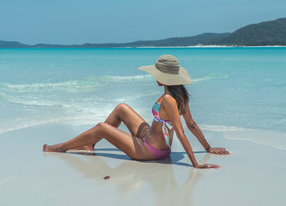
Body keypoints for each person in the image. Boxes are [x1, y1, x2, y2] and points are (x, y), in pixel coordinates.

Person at [43, 55, 229, 168]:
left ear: (163, 77)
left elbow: (181, 131)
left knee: (101, 127)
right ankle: (90, 145)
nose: (154, 77)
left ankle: (59, 148)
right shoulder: (180, 95)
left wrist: (194, 164)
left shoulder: (168, 99)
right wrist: (208, 148)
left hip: (150, 151)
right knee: (121, 108)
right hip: (149, 137)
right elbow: (192, 124)